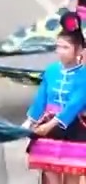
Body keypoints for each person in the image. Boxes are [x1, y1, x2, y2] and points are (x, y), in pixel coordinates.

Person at [25, 12, 86, 183]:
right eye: (58, 47)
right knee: (49, 176)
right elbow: (41, 99)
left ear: (79, 50)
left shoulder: (84, 76)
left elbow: (74, 106)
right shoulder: (51, 70)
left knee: (72, 177)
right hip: (48, 128)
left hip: (75, 129)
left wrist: (49, 126)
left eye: (66, 47)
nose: (60, 52)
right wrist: (28, 123)